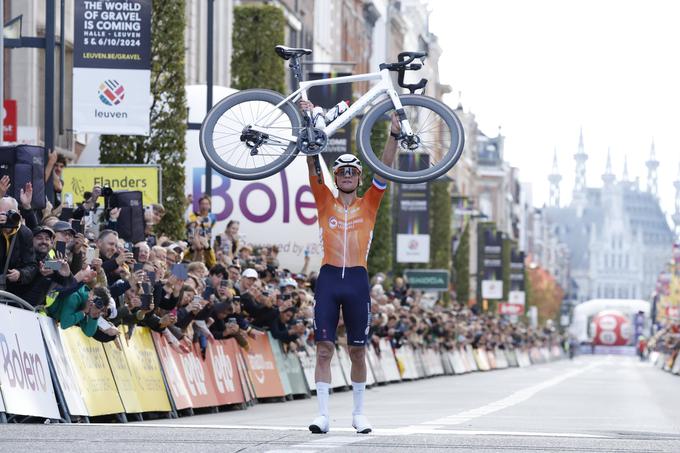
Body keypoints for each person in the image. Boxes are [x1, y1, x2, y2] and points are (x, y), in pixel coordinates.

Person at [300, 100, 398, 434]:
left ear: (358, 177)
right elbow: (312, 160)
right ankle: (322, 415)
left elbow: (384, 168)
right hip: (328, 278)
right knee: (324, 348)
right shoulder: (323, 198)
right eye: (340, 171)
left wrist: (395, 136)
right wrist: (307, 123)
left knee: (357, 350)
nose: (345, 175)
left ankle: (359, 414)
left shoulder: (369, 202)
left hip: (357, 279)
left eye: (351, 171)